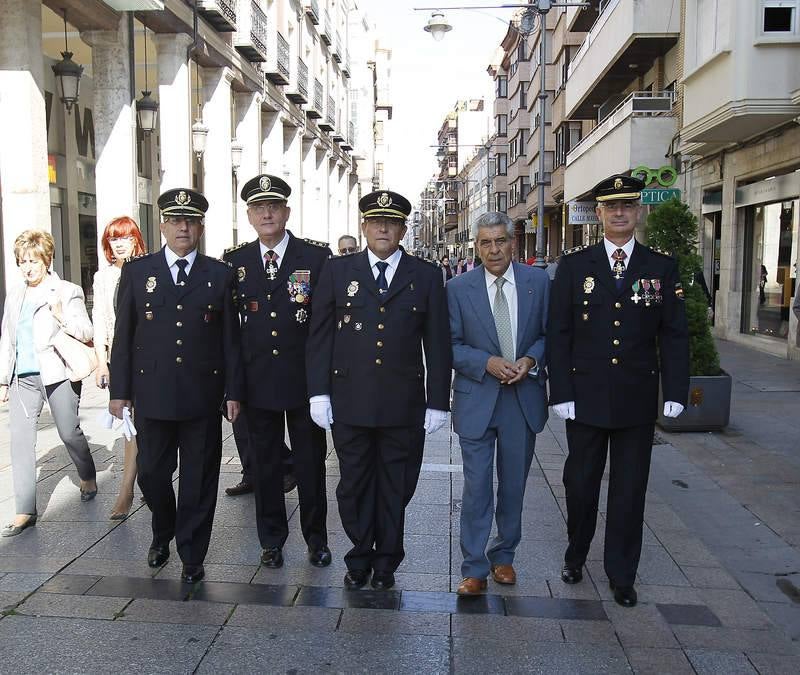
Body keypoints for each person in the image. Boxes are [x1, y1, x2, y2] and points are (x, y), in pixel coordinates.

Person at [547, 174, 689, 608]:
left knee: (630, 490)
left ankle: (622, 573)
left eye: (628, 204)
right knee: (580, 484)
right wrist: (561, 390)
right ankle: (576, 554)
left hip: (636, 398)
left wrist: (676, 390)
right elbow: (559, 332)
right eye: (612, 206)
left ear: (639, 210)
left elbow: (674, 334)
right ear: (601, 214)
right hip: (586, 396)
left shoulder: (660, 267)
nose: (621, 212)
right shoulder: (575, 265)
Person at [307, 190, 452, 590]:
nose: (383, 228)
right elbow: (319, 336)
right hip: (349, 399)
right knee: (352, 483)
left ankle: (386, 561)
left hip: (402, 404)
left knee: (396, 484)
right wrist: (318, 392)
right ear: (364, 227)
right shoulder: (338, 271)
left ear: (403, 229)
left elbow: (437, 342)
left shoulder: (424, 275)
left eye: (391, 223)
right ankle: (358, 557)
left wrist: (438, 401)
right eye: (375, 221)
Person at [109, 187, 244, 583]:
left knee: (200, 479)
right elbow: (124, 335)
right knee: (151, 473)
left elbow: (230, 340)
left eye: (191, 221)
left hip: (202, 395)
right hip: (152, 395)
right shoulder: (137, 272)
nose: (183, 227)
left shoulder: (218, 274)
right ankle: (162, 530)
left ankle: (192, 552)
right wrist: (120, 392)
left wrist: (233, 391)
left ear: (200, 227)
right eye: (176, 220)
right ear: (163, 225)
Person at [223, 174, 331, 569]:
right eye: (258, 208)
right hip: (257, 385)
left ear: (287, 211)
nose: (266, 214)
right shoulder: (234, 262)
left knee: (310, 464)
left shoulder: (316, 258)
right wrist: (232, 390)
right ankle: (271, 539)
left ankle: (316, 539)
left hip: (305, 383)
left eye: (273, 206)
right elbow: (231, 334)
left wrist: (325, 387)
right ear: (249, 216)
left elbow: (325, 327)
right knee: (264, 467)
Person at [448, 212, 550, 596]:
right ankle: (473, 566)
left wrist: (532, 360)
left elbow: (548, 333)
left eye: (500, 241)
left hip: (521, 401)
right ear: (477, 247)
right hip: (477, 399)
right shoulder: (458, 289)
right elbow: (450, 346)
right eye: (486, 243)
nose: (494, 250)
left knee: (513, 486)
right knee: (476, 487)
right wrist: (485, 362)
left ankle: (503, 555)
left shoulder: (539, 283)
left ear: (513, 243)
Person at [0, 230, 97, 537]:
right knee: (19, 442)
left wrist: (61, 317)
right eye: (22, 261)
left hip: (56, 374)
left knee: (69, 432)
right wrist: (3, 380)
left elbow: (85, 330)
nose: (28, 267)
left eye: (33, 260)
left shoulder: (65, 291)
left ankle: (87, 474)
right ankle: (25, 510)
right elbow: (8, 340)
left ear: (47, 259)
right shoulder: (15, 295)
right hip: (22, 379)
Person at [93, 216, 147, 520]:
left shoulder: (148, 269)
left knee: (149, 424)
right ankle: (126, 490)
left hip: (149, 360)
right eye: (114, 239)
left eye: (125, 237)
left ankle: (147, 482)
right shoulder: (103, 278)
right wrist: (101, 360)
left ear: (135, 239)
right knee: (129, 424)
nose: (120, 243)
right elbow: (100, 318)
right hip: (120, 358)